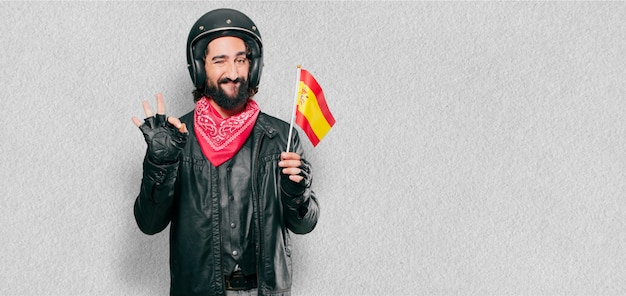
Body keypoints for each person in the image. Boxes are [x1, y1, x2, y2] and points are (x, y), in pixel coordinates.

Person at [131, 8, 319, 296]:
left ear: (253, 67)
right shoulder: (176, 137)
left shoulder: (283, 136)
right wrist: (160, 163)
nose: (232, 73)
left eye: (240, 60)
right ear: (199, 67)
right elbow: (149, 224)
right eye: (220, 61)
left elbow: (304, 225)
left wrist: (298, 193)